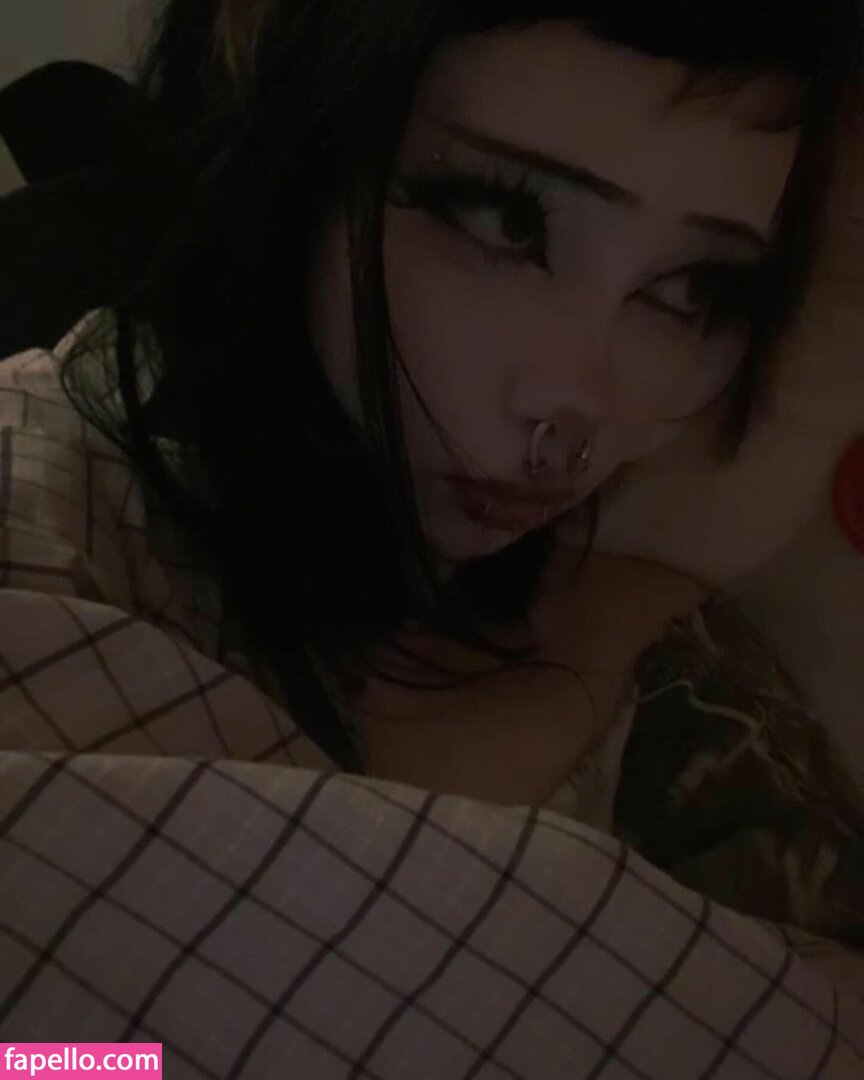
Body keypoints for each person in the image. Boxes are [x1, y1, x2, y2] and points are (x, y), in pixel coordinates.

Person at [1, 2, 864, 1075]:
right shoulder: (41, 517)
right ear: (307, 142)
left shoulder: (675, 647)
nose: (574, 409)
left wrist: (608, 611)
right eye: (502, 219)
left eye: (698, 288)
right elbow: (58, 1056)